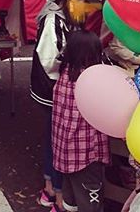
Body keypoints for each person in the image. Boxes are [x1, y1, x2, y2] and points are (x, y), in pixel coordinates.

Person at [30, 0, 102, 211]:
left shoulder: (70, 18)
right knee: (57, 139)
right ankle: (52, 190)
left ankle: (55, 187)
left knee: (58, 138)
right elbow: (48, 60)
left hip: (62, 90)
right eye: (87, 4)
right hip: (52, 91)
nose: (90, 10)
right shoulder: (53, 20)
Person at [52, 30, 109, 212]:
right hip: (86, 155)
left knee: (71, 201)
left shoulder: (65, 75)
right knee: (90, 203)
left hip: (65, 154)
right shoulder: (91, 81)